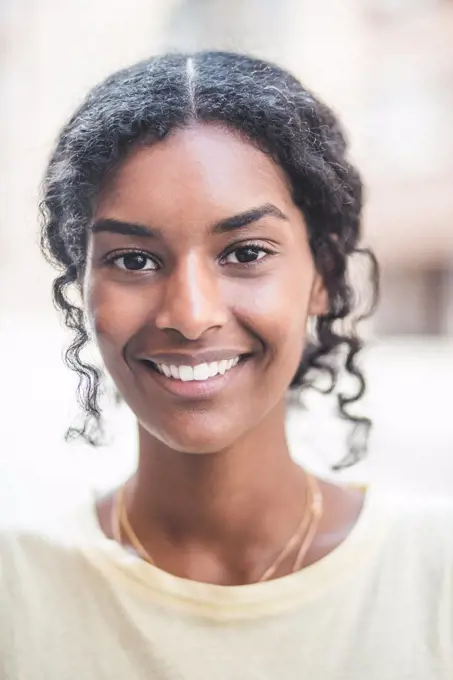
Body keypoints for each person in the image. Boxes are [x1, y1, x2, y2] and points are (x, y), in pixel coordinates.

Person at [1, 51, 452, 680]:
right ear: (83, 285)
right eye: (133, 260)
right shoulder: (14, 589)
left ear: (320, 277)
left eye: (244, 252)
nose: (189, 314)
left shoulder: (435, 574)